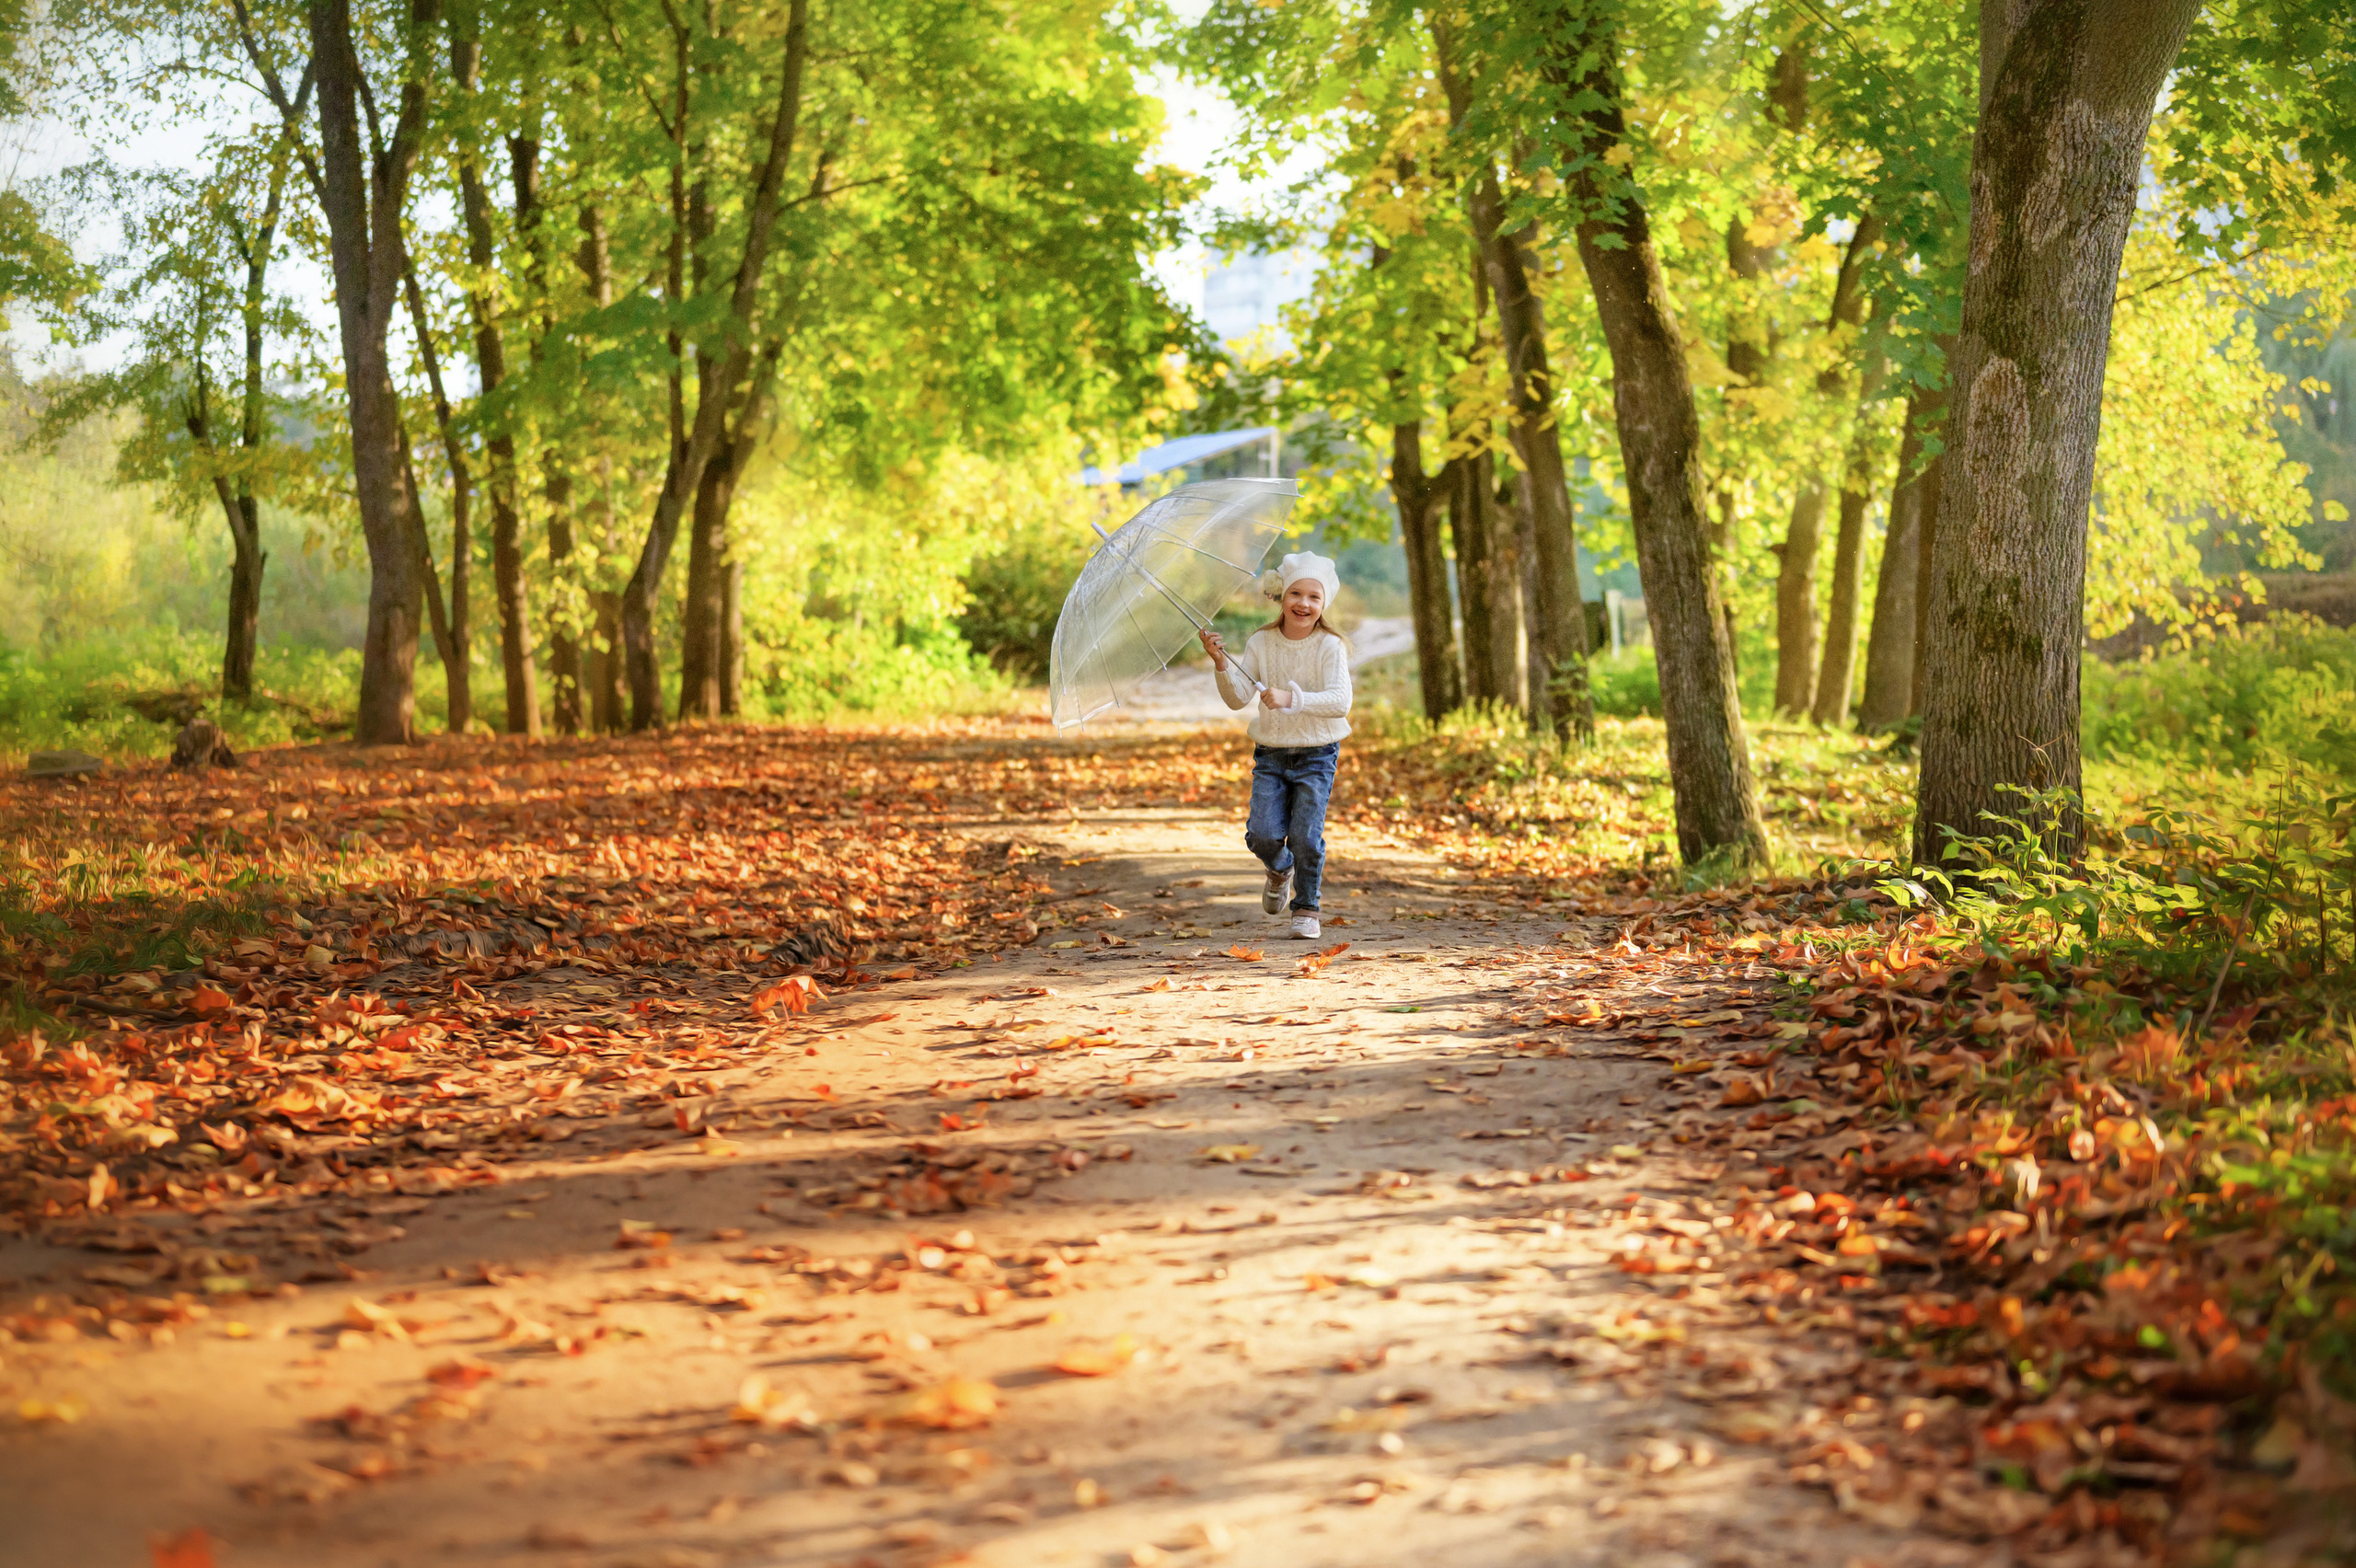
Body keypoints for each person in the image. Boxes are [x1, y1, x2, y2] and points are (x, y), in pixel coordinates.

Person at [1197, 551, 1353, 940]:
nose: (1303, 603)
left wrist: (1291, 698)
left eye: (1314, 597)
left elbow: (1340, 701)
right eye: (1296, 593)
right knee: (1262, 835)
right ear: (1282, 596)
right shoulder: (1262, 643)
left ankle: (1307, 908)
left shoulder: (1330, 646)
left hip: (1317, 753)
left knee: (1305, 836)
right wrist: (1221, 663)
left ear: (1324, 603)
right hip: (1271, 753)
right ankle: (1280, 868)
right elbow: (1237, 698)